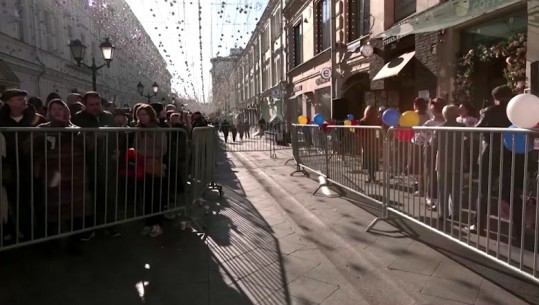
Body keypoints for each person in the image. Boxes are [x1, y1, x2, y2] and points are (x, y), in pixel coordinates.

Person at [33, 99, 92, 253]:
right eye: (54, 109)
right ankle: (51, 244)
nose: (58, 111)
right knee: (53, 210)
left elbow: (88, 147)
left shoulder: (75, 129)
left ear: (66, 111)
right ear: (49, 112)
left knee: (74, 212)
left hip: (74, 176)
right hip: (53, 176)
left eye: (60, 108)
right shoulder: (42, 129)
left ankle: (74, 243)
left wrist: (77, 135)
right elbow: (33, 148)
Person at [469, 85, 525, 243]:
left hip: (491, 153)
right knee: (512, 193)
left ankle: (478, 225)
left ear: (495, 98)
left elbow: (478, 128)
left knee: (484, 190)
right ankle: (518, 232)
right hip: (512, 154)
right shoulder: (518, 112)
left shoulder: (490, 111)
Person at [71, 91, 122, 239]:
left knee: (109, 196)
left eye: (97, 104)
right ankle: (91, 227)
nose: (95, 107)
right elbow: (75, 139)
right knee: (90, 197)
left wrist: (118, 150)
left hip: (107, 164)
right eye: (91, 105)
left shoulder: (108, 116)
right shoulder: (78, 118)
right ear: (85, 105)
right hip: (88, 164)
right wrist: (93, 136)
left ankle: (110, 225)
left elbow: (118, 135)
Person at [0, 89, 40, 241]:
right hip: (10, 168)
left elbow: (45, 141)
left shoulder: (35, 118)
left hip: (32, 167)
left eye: (24, 98)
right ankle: (19, 232)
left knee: (34, 200)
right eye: (18, 99)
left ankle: (35, 232)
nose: (24, 101)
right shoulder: (2, 120)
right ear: (8, 102)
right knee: (14, 202)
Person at [134, 104, 168, 237]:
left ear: (150, 115)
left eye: (144, 114)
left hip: (155, 165)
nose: (141, 117)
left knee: (156, 196)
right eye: (139, 115)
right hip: (142, 167)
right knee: (146, 196)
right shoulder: (138, 130)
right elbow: (134, 147)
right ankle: (148, 222)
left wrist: (142, 152)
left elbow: (162, 149)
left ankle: (157, 224)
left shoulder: (158, 130)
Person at [432, 105, 465, 223]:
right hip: (458, 161)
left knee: (443, 189)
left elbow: (434, 144)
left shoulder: (439, 128)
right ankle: (455, 213)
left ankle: (443, 213)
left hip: (442, 161)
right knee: (456, 189)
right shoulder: (463, 127)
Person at [359, 106, 381, 183]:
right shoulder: (377, 120)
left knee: (368, 159)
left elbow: (358, 132)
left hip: (366, 142)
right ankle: (372, 176)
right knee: (374, 158)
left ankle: (370, 176)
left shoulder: (363, 121)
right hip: (375, 142)